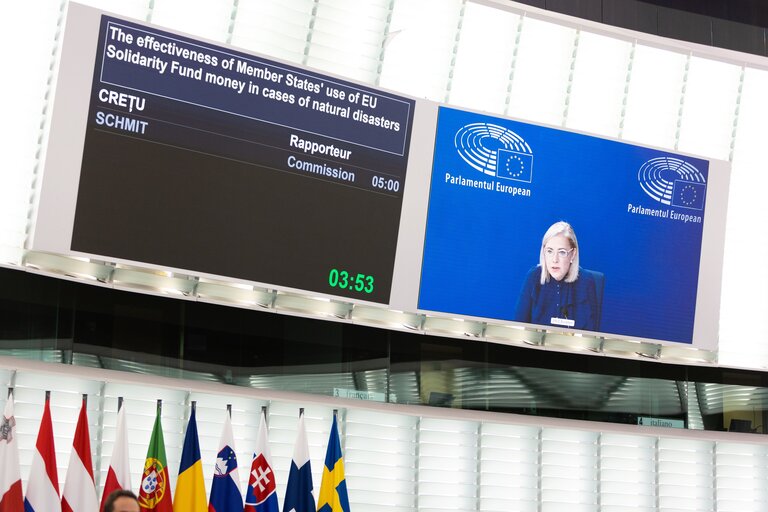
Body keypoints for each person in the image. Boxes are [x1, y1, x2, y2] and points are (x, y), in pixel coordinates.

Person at [513, 221, 602, 331]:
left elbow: (589, 335)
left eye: (562, 252)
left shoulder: (586, 282)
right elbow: (518, 328)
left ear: (573, 254)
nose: (554, 259)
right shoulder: (534, 277)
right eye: (549, 251)